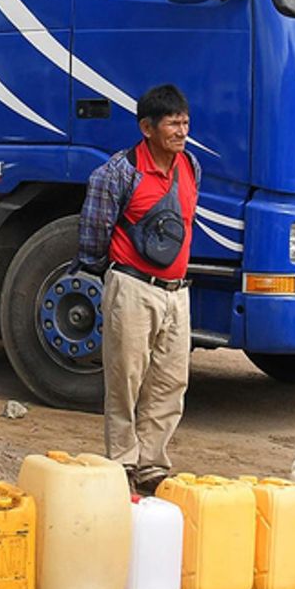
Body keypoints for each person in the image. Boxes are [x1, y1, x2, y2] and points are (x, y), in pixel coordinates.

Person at [77, 84, 199, 496]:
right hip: (132, 286)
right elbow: (94, 234)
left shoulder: (190, 167)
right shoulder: (118, 173)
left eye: (184, 122)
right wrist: (111, 274)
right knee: (125, 380)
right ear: (147, 128)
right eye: (172, 123)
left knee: (169, 382)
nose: (181, 131)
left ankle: (152, 464)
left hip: (176, 293)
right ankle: (122, 463)